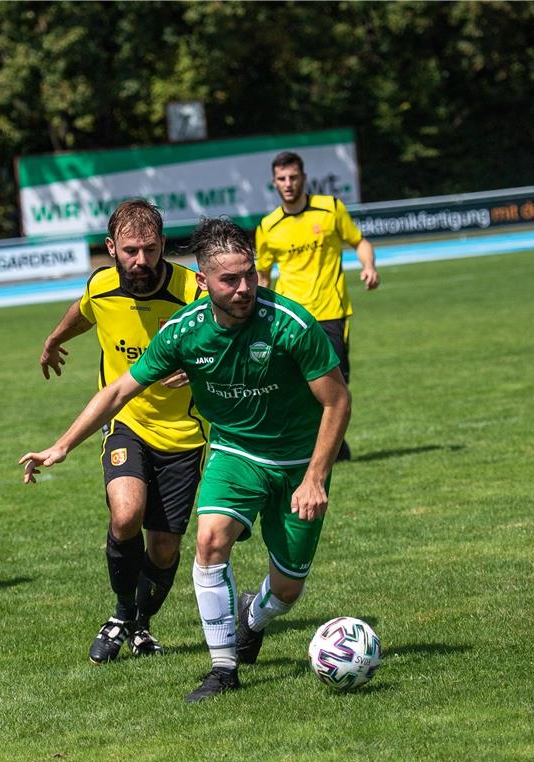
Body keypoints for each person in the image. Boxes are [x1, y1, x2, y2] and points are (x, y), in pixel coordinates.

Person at [23, 218, 351, 703]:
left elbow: (337, 401)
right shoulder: (183, 332)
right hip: (235, 450)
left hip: (299, 462)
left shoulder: (290, 323)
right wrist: (63, 445)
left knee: (287, 591)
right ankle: (223, 669)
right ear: (203, 282)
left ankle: (252, 617)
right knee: (209, 539)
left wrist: (316, 478)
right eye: (229, 280)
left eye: (249, 276)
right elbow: (117, 391)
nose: (243, 289)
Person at [38, 199, 207, 663]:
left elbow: (229, 337)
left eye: (150, 250)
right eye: (129, 250)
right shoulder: (102, 284)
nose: (140, 261)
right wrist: (54, 339)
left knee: (166, 547)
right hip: (126, 423)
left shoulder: (192, 291)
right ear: (111, 248)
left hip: (185, 435)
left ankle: (140, 626)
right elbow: (85, 309)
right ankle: (120, 615)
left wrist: (199, 370)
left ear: (163, 247)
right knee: (125, 515)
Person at [254, 151, 377, 461]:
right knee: (298, 384)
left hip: (331, 312)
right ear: (274, 183)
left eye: (293, 177)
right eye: (281, 179)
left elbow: (359, 242)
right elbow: (263, 275)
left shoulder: (330, 209)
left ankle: (335, 445)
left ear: (303, 178)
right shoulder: (268, 227)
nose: (288, 184)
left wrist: (369, 266)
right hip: (293, 317)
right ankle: (324, 448)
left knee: (336, 384)